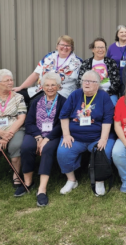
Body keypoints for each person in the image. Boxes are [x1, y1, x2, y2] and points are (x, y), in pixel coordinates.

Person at [57, 70, 115, 196]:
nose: (86, 83)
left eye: (90, 81)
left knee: (104, 151)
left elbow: (108, 118)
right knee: (63, 151)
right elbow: (64, 116)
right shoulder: (75, 95)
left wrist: (104, 138)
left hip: (97, 137)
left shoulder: (103, 96)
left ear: (97, 84)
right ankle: (71, 180)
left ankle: (99, 181)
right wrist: (66, 135)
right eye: (84, 81)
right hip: (75, 137)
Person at [17, 72, 66, 206]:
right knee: (26, 147)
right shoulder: (35, 101)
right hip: (35, 133)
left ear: (58, 87)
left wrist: (47, 139)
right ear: (42, 87)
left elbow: (62, 124)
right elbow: (29, 123)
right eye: (47, 85)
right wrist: (38, 137)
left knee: (47, 150)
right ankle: (28, 182)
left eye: (53, 85)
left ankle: (42, 189)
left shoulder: (63, 102)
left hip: (53, 135)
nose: (50, 88)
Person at [13, 35, 82, 104]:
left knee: (35, 103)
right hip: (40, 89)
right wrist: (20, 87)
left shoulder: (77, 62)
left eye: (68, 45)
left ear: (72, 48)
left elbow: (81, 83)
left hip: (62, 93)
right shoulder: (49, 57)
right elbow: (36, 74)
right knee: (16, 96)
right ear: (57, 46)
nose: (65, 47)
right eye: (62, 45)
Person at [0, 69, 27, 187]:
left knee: (16, 145)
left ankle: (16, 175)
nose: (10, 83)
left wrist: (8, 134)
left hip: (15, 129)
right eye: (7, 81)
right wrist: (1, 134)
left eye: (11, 80)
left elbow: (21, 118)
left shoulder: (18, 97)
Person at [78, 38, 120, 106]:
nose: (100, 50)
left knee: (112, 106)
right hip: (90, 94)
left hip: (109, 94)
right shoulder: (86, 63)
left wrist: (105, 94)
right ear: (93, 49)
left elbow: (116, 82)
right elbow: (80, 81)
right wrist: (91, 93)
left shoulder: (111, 62)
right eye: (98, 47)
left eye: (102, 47)